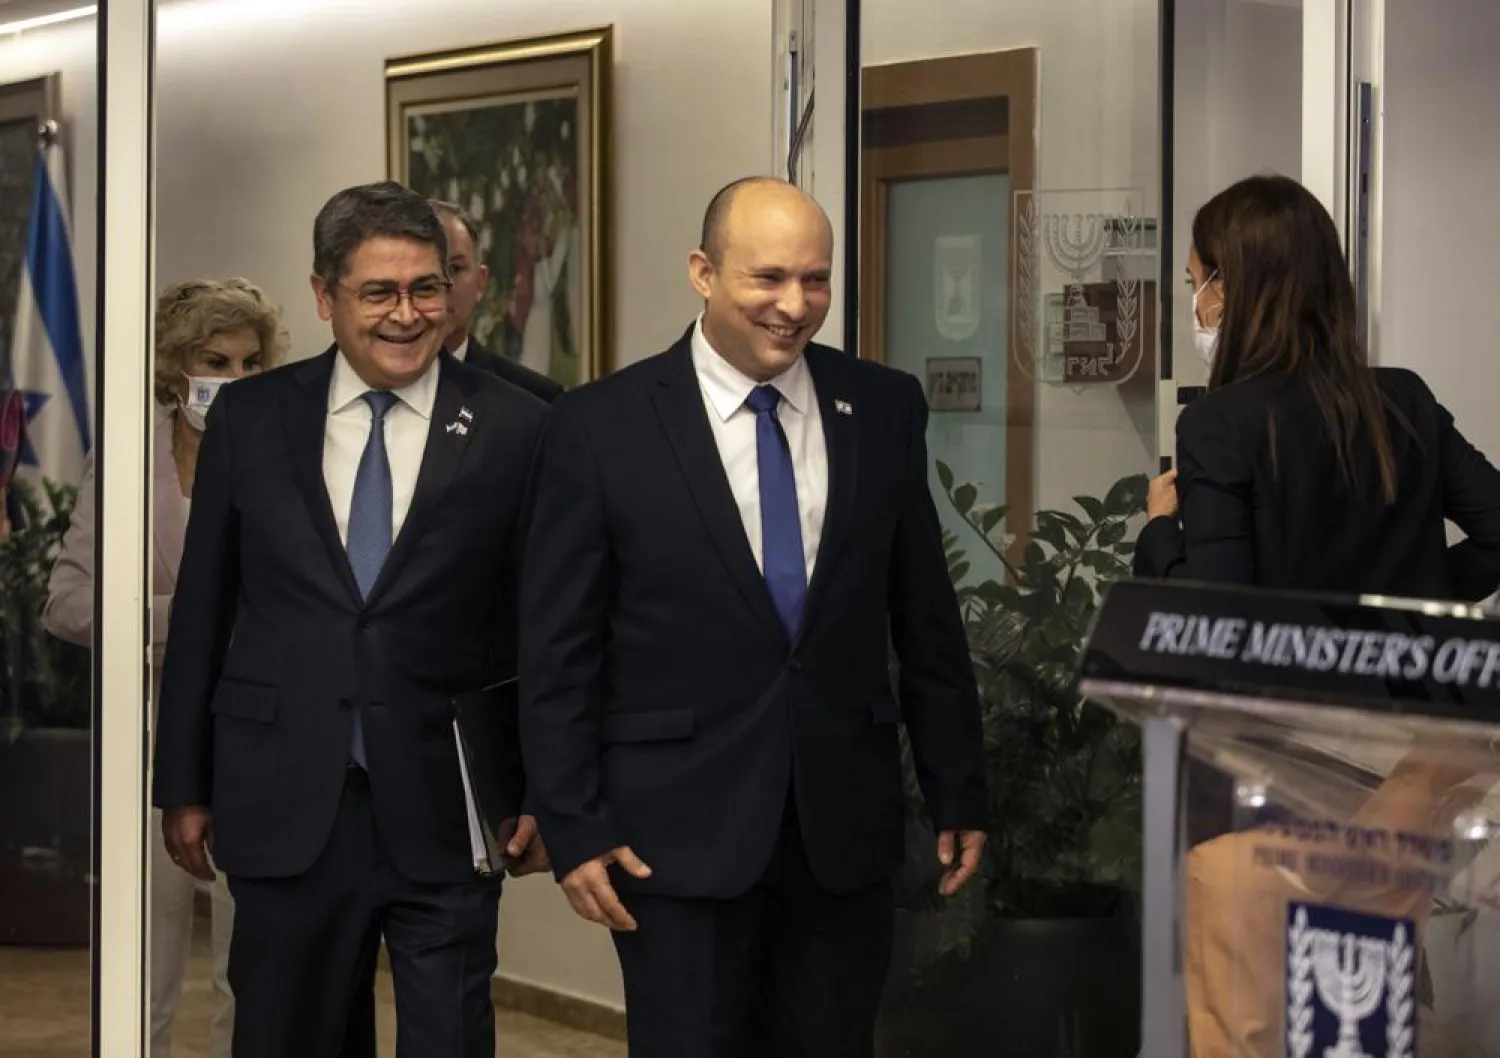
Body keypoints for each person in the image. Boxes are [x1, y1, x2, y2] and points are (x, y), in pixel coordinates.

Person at [519, 175, 987, 1057]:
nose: (794, 305)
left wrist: (957, 782)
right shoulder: (599, 425)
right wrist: (574, 824)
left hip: (840, 833)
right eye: (767, 278)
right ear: (702, 272)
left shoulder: (882, 407)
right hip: (672, 841)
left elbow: (924, 613)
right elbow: (557, 648)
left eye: (815, 280)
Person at [152, 182, 549, 1057]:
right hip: (285, 797)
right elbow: (207, 608)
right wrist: (183, 780)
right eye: (379, 293)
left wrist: (549, 788)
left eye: (426, 289)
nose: (407, 315)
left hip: (448, 804)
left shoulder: (519, 428)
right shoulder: (251, 422)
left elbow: (546, 625)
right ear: (325, 296)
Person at [44, 278, 290, 1058]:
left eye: (252, 364)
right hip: (149, 730)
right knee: (143, 957)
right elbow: (65, 601)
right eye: (215, 360)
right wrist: (175, 619)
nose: (235, 379)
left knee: (244, 963)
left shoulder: (287, 451)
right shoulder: (126, 456)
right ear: (174, 367)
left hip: (260, 733)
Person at [1134, 174, 1500, 594]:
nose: (1196, 302)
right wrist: (1413, 602)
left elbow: (1213, 616)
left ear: (1229, 287)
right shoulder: (1404, 399)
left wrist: (1158, 532)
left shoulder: (1216, 425)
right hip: (1404, 659)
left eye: (1193, 281)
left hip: (1280, 662)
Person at [428, 198, 563, 403]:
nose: (441, 286)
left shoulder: (535, 398)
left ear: (481, 283)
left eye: (454, 269)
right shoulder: (372, 390)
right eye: (426, 273)